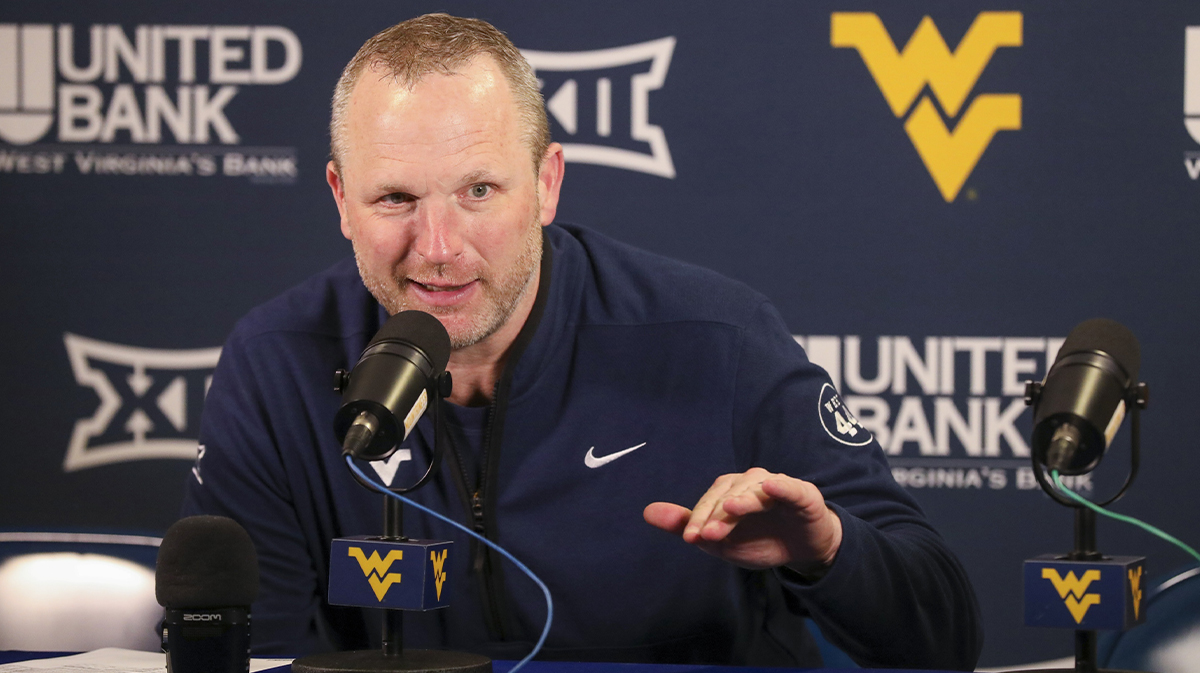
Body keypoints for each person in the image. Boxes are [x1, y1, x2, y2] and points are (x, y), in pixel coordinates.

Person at [181, 13, 982, 670]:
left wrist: (828, 552)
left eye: (479, 191)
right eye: (394, 198)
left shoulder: (715, 338)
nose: (437, 246)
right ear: (341, 200)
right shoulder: (275, 364)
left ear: (548, 183)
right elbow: (256, 657)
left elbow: (944, 633)